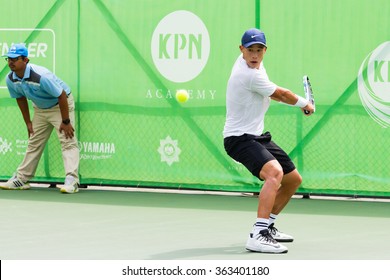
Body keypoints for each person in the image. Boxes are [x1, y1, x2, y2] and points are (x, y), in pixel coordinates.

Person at [223, 28, 314, 253]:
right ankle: (258, 234)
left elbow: (272, 92)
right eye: (250, 50)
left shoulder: (254, 66)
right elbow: (280, 94)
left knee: (293, 180)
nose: (254, 55)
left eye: (259, 50)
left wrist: (298, 102)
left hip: (257, 136)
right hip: (239, 139)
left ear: (265, 50)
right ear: (241, 50)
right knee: (274, 173)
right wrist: (305, 104)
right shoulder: (248, 74)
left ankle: (269, 225)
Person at [0, 43, 80, 194]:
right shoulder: (10, 79)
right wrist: (28, 122)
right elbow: (20, 98)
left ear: (25, 60)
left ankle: (72, 180)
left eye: (15, 59)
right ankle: (22, 179)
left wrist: (66, 121)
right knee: (34, 142)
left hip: (60, 105)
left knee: (67, 141)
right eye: (8, 59)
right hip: (40, 109)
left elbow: (61, 95)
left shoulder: (41, 76)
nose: (10, 62)